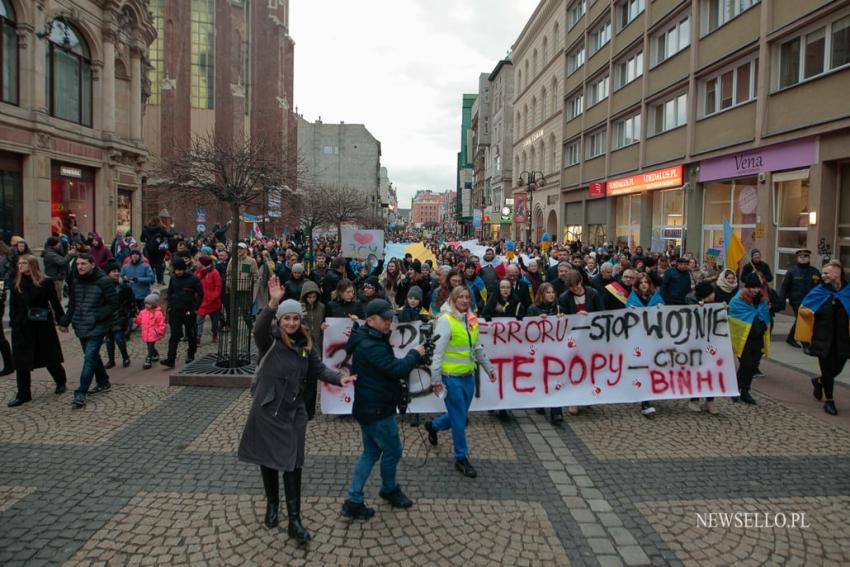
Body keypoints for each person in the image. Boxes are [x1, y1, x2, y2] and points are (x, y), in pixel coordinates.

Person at [239, 279, 356, 544]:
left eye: (295, 318)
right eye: (286, 318)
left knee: (293, 464)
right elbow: (258, 327)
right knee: (267, 459)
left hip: (294, 411)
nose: (291, 323)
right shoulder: (267, 340)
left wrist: (339, 379)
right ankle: (272, 504)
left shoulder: (305, 343)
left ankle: (294, 520)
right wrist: (272, 303)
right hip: (267, 410)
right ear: (280, 321)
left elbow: (318, 369)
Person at [341, 298, 424, 520]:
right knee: (393, 450)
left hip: (369, 407)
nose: (389, 321)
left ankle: (354, 500)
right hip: (377, 410)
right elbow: (395, 369)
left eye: (390, 317)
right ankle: (389, 489)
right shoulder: (370, 345)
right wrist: (415, 354)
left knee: (370, 452)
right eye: (384, 318)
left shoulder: (370, 338)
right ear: (370, 320)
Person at [425, 287, 497, 478]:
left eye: (467, 297)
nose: (464, 300)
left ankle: (433, 426)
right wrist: (436, 380)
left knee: (460, 414)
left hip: (468, 377)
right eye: (461, 297)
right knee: (459, 419)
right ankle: (461, 458)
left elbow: (477, 347)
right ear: (453, 299)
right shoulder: (445, 321)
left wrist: (488, 368)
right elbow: (437, 353)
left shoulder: (471, 320)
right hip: (450, 378)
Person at [59, 253, 118, 408]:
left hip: (97, 326)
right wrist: (65, 321)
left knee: (89, 358)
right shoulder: (76, 280)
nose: (80, 267)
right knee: (91, 356)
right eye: (78, 264)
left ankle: (80, 392)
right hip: (80, 324)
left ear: (92, 264)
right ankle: (103, 381)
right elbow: (72, 303)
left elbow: (113, 303)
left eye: (83, 264)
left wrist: (97, 316)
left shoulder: (104, 281)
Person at [7, 255, 67, 407]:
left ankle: (60, 381)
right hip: (22, 326)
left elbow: (54, 302)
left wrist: (62, 321)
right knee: (21, 362)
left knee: (49, 357)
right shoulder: (16, 283)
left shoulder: (45, 282)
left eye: (24, 263)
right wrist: (15, 323)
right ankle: (23, 394)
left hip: (41, 325)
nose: (20, 266)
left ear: (32, 265)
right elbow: (13, 306)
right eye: (19, 263)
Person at [795, 260, 850, 416]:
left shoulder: (848, 291)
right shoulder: (819, 291)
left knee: (837, 368)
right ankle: (830, 401)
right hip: (822, 338)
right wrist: (811, 312)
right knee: (827, 370)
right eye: (823, 272)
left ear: (837, 273)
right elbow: (804, 309)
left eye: (827, 273)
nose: (823, 275)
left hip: (843, 339)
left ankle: (818, 381)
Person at [556, 271, 605, 419]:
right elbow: (563, 315)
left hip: (591, 337)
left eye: (576, 286)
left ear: (581, 282)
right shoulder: (565, 297)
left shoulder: (593, 294)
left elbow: (601, 313)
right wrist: (562, 316)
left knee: (589, 367)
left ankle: (586, 395)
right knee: (574, 367)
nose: (574, 290)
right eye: (571, 288)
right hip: (574, 338)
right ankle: (573, 399)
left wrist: (589, 316)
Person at [727, 273, 771, 405]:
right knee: (746, 364)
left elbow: (767, 315)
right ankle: (735, 389)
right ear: (747, 287)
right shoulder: (738, 300)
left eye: (757, 287)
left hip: (758, 338)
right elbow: (732, 317)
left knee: (752, 367)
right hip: (743, 338)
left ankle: (745, 391)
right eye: (752, 287)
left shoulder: (763, 300)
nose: (755, 290)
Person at [161, 258, 204, 367]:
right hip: (175, 311)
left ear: (184, 269)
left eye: (180, 270)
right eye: (177, 270)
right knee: (174, 335)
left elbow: (200, 294)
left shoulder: (193, 279)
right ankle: (171, 359)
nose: (178, 272)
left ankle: (190, 354)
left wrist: (195, 308)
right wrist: (170, 305)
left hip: (189, 311)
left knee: (191, 334)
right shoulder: (173, 278)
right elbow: (170, 292)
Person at [780, 249, 821, 348]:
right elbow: (784, 287)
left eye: (805, 257)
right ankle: (805, 343)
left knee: (803, 320)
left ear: (809, 258)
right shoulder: (792, 272)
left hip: (811, 301)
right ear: (797, 258)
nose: (803, 259)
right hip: (796, 300)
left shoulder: (814, 271)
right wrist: (781, 301)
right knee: (801, 319)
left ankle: (791, 338)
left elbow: (820, 287)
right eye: (800, 257)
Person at [104, 260, 134, 369]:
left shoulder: (123, 286)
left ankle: (125, 357)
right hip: (107, 316)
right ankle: (111, 360)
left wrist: (130, 313)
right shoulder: (103, 286)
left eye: (117, 271)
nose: (116, 273)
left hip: (119, 316)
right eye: (113, 271)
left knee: (119, 338)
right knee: (109, 340)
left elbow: (130, 300)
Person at [196, 255, 223, 344]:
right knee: (199, 321)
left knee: (215, 323)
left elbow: (218, 287)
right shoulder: (197, 272)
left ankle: (215, 334)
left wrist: (212, 297)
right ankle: (198, 337)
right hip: (202, 301)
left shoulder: (214, 273)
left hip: (213, 302)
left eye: (198, 261)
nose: (197, 263)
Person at [136, 293, 166, 369]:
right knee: (150, 346)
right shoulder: (143, 312)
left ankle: (148, 359)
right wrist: (136, 320)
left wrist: (160, 331)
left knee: (150, 346)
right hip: (145, 333)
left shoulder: (158, 313)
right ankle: (155, 354)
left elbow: (161, 324)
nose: (146, 305)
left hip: (153, 333)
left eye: (149, 304)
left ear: (154, 304)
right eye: (146, 303)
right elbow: (139, 320)